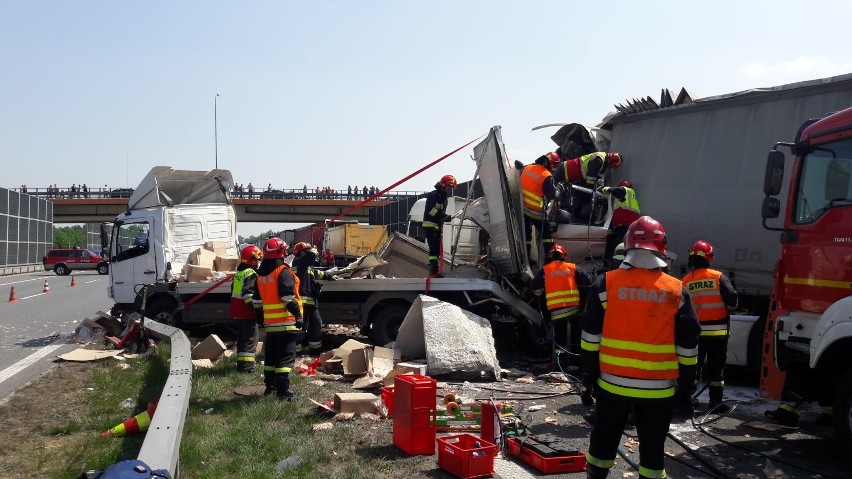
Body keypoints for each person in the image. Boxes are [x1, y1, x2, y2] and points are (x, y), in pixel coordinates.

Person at [580, 216, 700, 479]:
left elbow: (590, 338)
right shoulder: (677, 290)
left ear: (627, 244)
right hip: (659, 391)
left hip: (611, 387)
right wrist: (687, 388)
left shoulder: (605, 284)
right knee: (653, 451)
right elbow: (688, 348)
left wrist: (587, 377)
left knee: (602, 442)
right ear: (662, 247)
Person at [681, 240, 738, 413]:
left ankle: (687, 401)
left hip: (695, 334)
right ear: (709, 257)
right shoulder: (718, 277)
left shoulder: (685, 281)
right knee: (716, 369)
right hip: (718, 334)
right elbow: (733, 302)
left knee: (693, 369)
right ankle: (715, 402)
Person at [253, 237, 303, 400]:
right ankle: (283, 392)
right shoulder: (283, 271)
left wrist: (261, 318)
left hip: (271, 325)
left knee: (271, 357)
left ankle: (270, 388)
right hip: (287, 322)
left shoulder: (260, 274)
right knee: (286, 357)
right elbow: (288, 297)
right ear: (281, 251)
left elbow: (257, 301)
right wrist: (298, 315)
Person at [530, 244, 590, 369]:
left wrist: (541, 293)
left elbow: (535, 287)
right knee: (575, 337)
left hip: (557, 312)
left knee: (560, 340)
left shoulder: (545, 269)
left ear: (550, 256)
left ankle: (560, 364)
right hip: (574, 310)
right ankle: (574, 364)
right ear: (564, 256)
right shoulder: (572, 267)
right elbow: (588, 283)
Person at [292, 242, 336, 356]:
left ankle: (315, 352)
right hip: (302, 303)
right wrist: (314, 249)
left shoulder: (306, 266)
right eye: (306, 250)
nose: (309, 252)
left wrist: (329, 276)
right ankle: (296, 354)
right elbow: (311, 255)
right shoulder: (298, 262)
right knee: (301, 329)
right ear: (301, 252)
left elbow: (317, 273)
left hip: (310, 303)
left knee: (316, 326)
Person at [554, 152, 624, 223]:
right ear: (610, 160)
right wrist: (595, 190)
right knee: (553, 193)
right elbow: (590, 179)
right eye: (611, 165)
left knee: (582, 194)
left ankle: (576, 214)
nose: (610, 167)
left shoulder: (601, 159)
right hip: (565, 171)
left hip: (569, 174)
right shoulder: (598, 160)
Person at [520, 151, 560, 266]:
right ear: (551, 163)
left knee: (527, 236)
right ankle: (550, 262)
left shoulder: (527, 168)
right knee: (547, 236)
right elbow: (552, 195)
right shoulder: (546, 176)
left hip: (523, 209)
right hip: (536, 212)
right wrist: (558, 191)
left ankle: (527, 261)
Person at [231, 245, 263, 373]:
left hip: (237, 311)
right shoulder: (251, 273)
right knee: (250, 340)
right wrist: (257, 309)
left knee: (242, 340)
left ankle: (241, 366)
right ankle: (247, 368)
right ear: (253, 259)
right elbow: (248, 295)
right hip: (247, 312)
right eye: (258, 259)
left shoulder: (239, 273)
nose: (259, 262)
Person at [596, 180, 641, 260]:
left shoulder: (627, 191)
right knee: (616, 249)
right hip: (626, 227)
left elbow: (617, 190)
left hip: (625, 226)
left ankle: (616, 267)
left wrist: (603, 189)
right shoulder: (625, 201)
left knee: (619, 250)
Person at [423, 174, 457, 276]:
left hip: (436, 225)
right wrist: (443, 216)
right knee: (434, 249)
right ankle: (433, 271)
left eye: (451, 187)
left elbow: (438, 212)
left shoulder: (443, 197)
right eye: (449, 187)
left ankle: (435, 271)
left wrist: (444, 217)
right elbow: (431, 211)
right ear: (443, 184)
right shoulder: (434, 195)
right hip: (430, 225)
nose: (450, 189)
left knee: (436, 249)